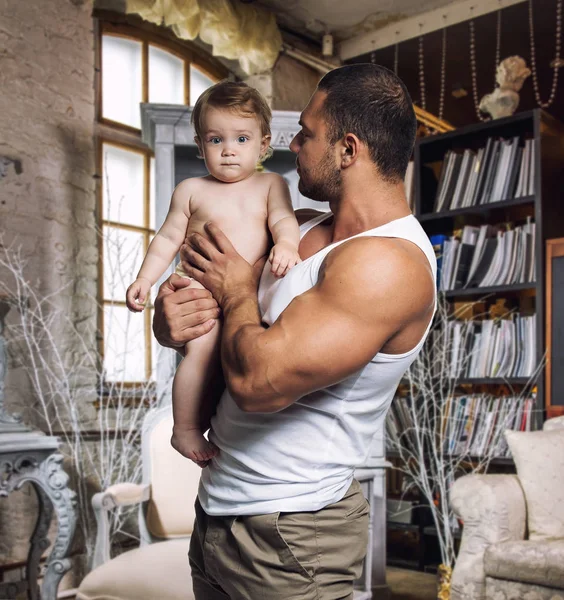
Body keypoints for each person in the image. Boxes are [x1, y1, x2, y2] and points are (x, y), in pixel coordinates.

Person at [153, 64, 437, 599]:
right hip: (217, 509)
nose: (292, 142)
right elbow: (220, 329)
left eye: (307, 133)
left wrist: (238, 287)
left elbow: (259, 383)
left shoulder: (388, 264)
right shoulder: (299, 227)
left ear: (348, 150)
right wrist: (173, 322)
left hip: (292, 533)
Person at [126, 81, 301, 465]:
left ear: (263, 143)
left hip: (250, 293)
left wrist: (287, 245)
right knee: (201, 353)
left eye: (241, 138)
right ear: (200, 144)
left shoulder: (271, 184)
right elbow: (167, 238)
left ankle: (231, 425)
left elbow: (284, 220)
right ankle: (184, 428)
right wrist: (145, 279)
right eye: (215, 140)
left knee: (245, 354)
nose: (228, 151)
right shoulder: (190, 189)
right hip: (199, 292)